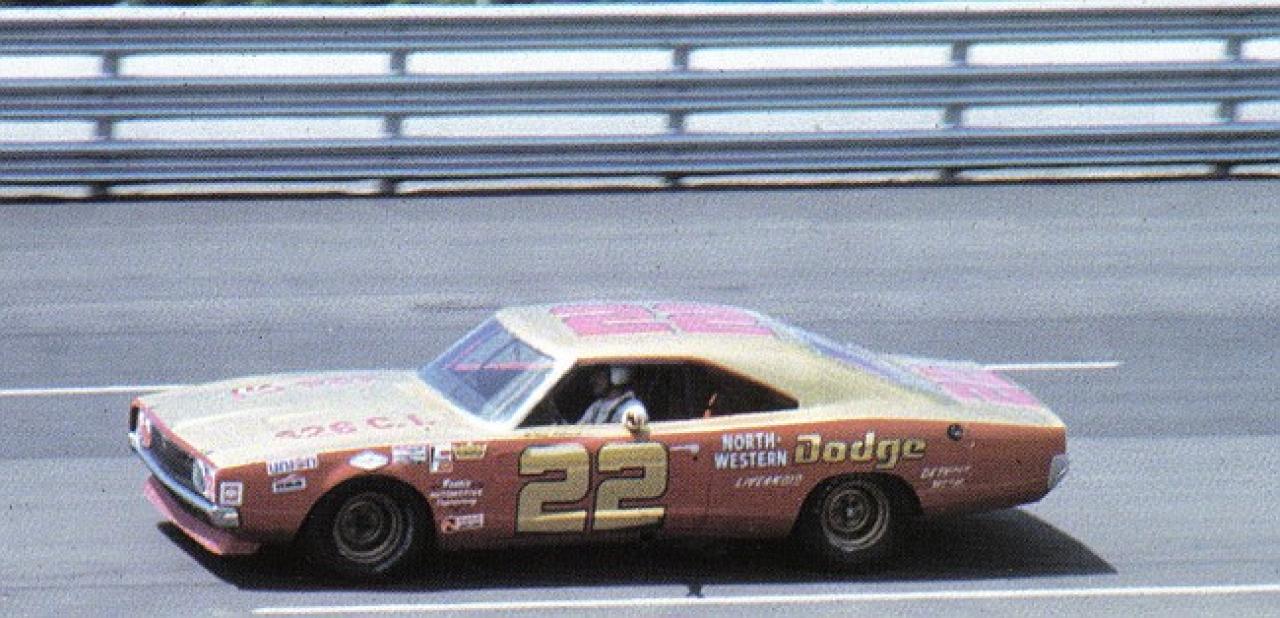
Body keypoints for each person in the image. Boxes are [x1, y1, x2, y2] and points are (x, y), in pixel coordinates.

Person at [576, 365, 646, 425]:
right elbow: (579, 428)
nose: (592, 380)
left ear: (616, 376)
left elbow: (636, 417)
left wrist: (632, 419)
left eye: (599, 375)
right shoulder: (597, 406)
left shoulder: (631, 406)